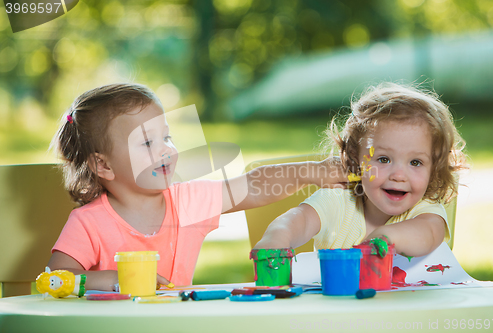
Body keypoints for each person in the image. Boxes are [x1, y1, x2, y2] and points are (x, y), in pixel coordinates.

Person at [47, 83, 345, 291]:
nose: (166, 150)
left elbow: (253, 186)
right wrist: (112, 278)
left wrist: (313, 172)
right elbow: (53, 278)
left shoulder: (185, 203)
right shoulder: (88, 223)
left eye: (166, 137)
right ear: (104, 166)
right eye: (148, 142)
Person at [254, 82, 467, 258]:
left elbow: (428, 234)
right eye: (383, 159)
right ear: (356, 160)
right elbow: (298, 220)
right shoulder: (338, 200)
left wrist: (385, 237)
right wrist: (278, 237)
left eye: (415, 163)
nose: (399, 175)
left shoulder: (425, 210)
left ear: (434, 168)